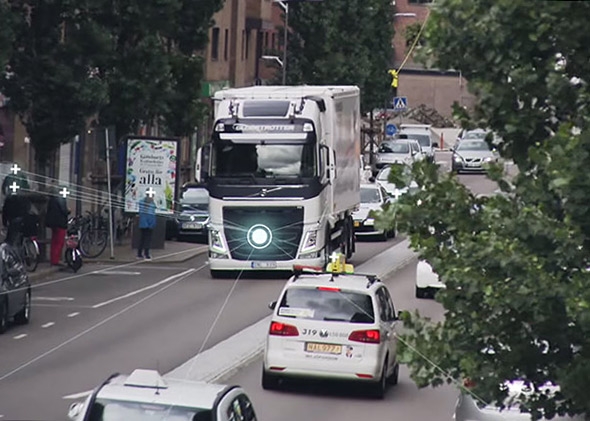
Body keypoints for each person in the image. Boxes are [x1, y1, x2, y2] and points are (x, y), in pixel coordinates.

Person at [46, 187, 69, 266]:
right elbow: (64, 211)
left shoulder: (51, 201)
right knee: (59, 242)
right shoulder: (60, 200)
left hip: (54, 224)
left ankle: (53, 259)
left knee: (54, 242)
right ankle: (56, 259)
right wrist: (68, 211)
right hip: (60, 223)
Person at [137, 191, 156, 260]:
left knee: (142, 239)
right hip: (148, 224)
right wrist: (152, 224)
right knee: (147, 239)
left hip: (142, 223)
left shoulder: (141, 202)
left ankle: (139, 254)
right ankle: (146, 254)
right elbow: (151, 215)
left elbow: (141, 213)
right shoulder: (152, 204)